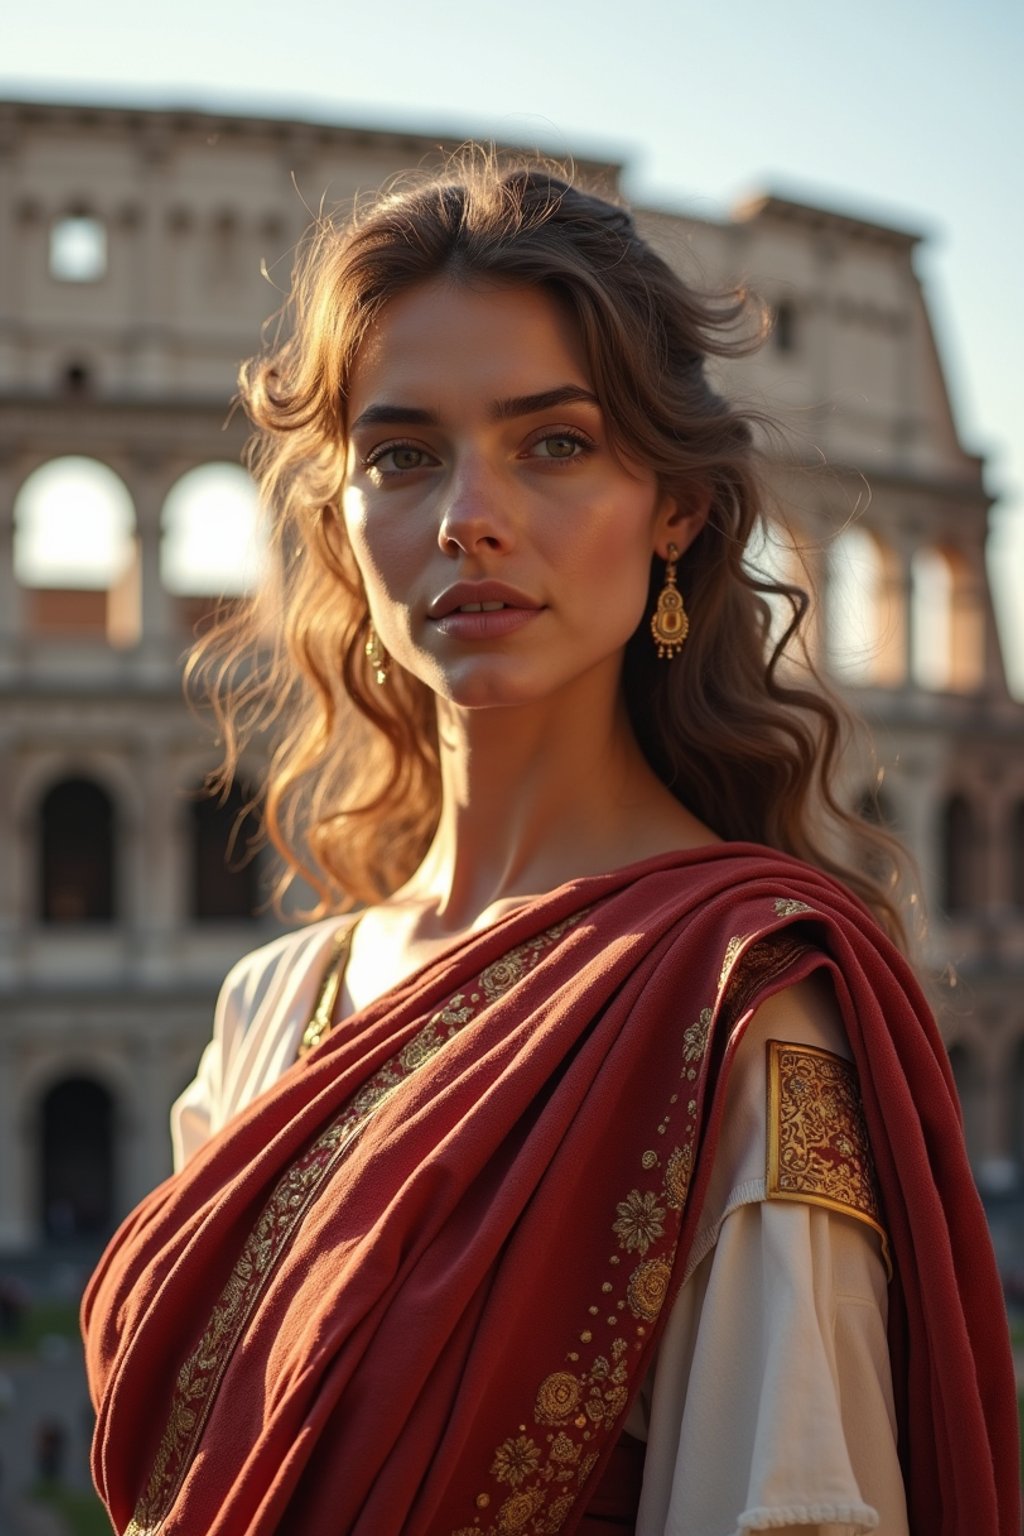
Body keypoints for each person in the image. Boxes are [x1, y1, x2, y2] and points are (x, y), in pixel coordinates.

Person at [82, 153, 1018, 1536]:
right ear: (343, 527)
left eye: (555, 443)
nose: (469, 513)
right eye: (402, 455)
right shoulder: (269, 1010)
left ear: (678, 510)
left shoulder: (749, 1015)